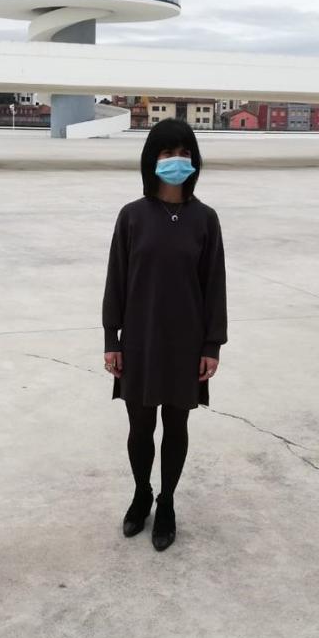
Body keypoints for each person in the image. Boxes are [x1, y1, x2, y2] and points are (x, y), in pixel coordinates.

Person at [101, 118, 228, 551]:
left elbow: (215, 285)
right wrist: (111, 338)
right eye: (167, 153)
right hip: (138, 338)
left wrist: (211, 345)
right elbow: (115, 280)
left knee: (176, 424)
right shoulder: (132, 216)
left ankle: (168, 501)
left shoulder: (205, 220)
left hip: (186, 343)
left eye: (184, 153)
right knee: (140, 425)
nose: (176, 161)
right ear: (150, 160)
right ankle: (141, 494)